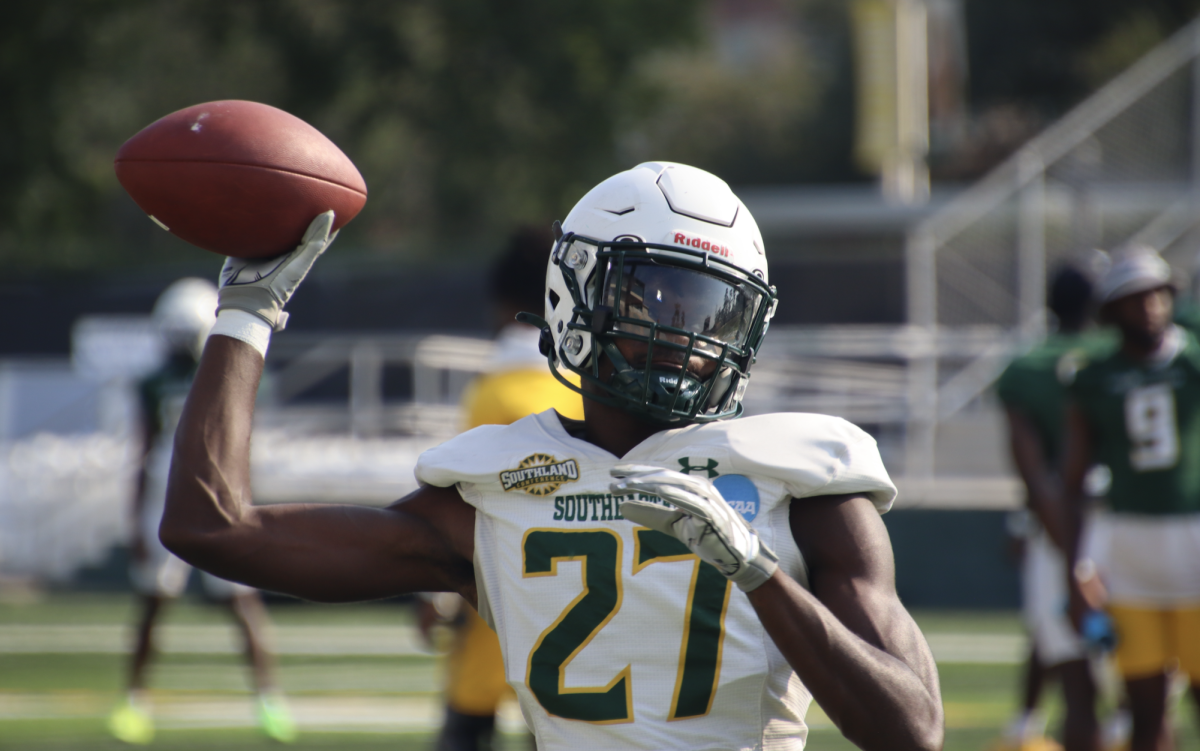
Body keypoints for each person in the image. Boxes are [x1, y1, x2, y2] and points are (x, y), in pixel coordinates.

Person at [159, 162, 944, 751]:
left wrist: (760, 573)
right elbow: (212, 526)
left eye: (712, 311)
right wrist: (249, 315)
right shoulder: (498, 490)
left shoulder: (802, 481)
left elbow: (913, 730)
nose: (686, 337)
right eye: (654, 301)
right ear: (577, 296)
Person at [107, 278, 296, 745]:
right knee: (153, 603)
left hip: (219, 496)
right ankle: (134, 699)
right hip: (164, 496)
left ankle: (269, 699)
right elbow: (144, 449)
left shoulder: (228, 374)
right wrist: (133, 518)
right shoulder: (153, 383)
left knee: (240, 602)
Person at [420, 226, 584, 751]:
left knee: (467, 725)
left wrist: (433, 594)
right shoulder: (589, 396)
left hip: (499, 609)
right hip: (582, 626)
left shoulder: (493, 393)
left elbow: (458, 502)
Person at [1062, 248, 1200, 751]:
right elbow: (1073, 482)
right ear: (1112, 309)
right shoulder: (1093, 377)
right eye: (1134, 298)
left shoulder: (1194, 360)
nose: (1149, 307)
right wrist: (1073, 573)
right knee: (1144, 710)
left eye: (1156, 294)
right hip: (1130, 555)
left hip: (1195, 544)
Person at [994, 264, 1115, 751]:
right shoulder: (1122, 357)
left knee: (1075, 678)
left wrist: (1066, 552)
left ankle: (1027, 720)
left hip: (1060, 525)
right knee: (1152, 677)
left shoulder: (1026, 368)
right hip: (1134, 520)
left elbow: (1034, 471)